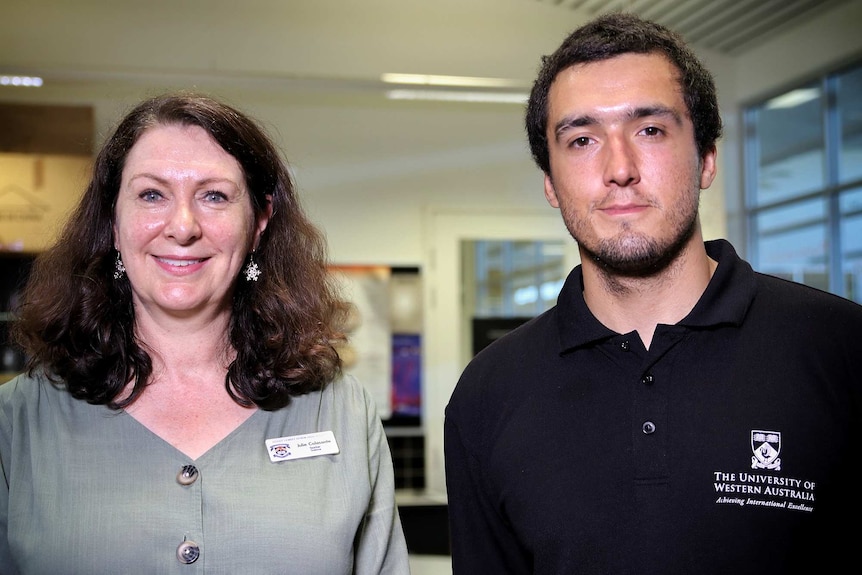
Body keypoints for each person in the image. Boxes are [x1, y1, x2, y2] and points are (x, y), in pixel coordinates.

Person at [444, 12, 862, 575]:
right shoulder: (487, 395)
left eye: (650, 130)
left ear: (707, 157)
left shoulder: (842, 350)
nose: (620, 168)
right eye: (582, 139)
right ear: (550, 182)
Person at [0, 93, 409, 574]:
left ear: (259, 221)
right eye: (152, 194)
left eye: (214, 195)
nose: (182, 226)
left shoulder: (341, 411)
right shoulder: (18, 425)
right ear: (113, 220)